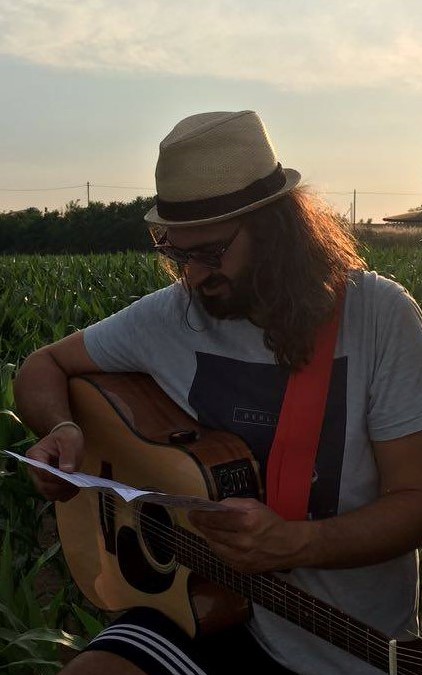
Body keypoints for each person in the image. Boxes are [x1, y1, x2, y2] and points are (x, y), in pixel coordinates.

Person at [13, 110, 422, 675]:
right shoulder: (172, 316)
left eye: (210, 252)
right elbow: (43, 364)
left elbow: (414, 502)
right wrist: (61, 428)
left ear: (276, 229)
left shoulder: (377, 318)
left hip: (346, 644)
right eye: (178, 254)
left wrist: (296, 544)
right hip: (197, 610)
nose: (193, 276)